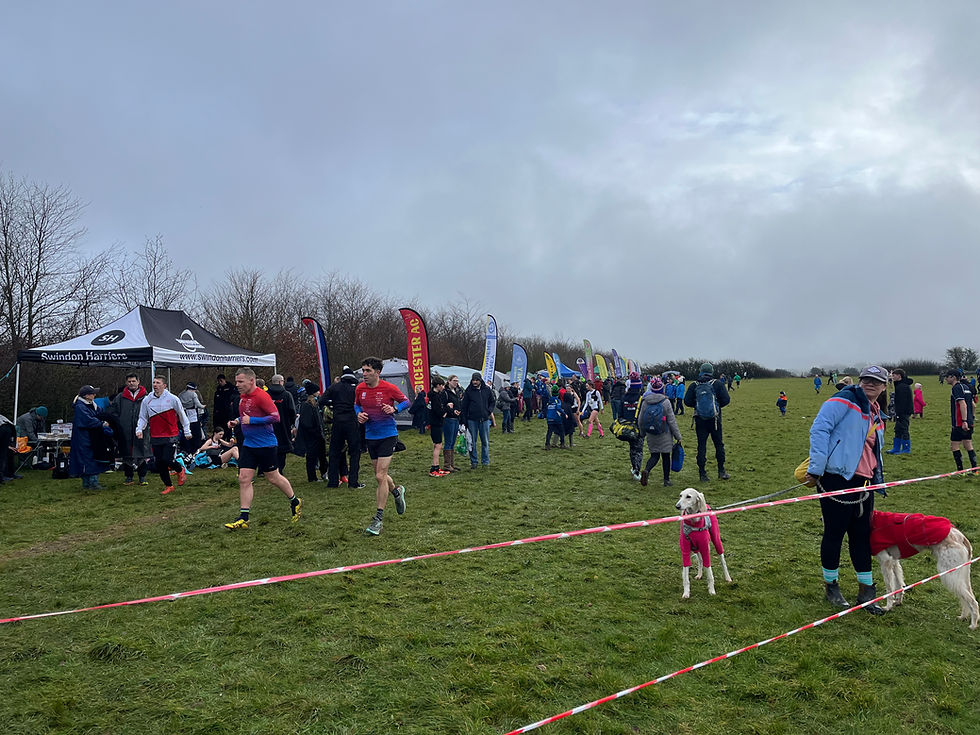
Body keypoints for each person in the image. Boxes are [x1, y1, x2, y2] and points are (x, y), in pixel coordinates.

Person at [806, 365, 888, 615]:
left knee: (861, 535)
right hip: (836, 477)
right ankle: (832, 586)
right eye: (866, 379)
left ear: (884, 386)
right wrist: (817, 467)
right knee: (835, 532)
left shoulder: (877, 412)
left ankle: (866, 592)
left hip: (864, 481)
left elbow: (873, 448)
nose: (870, 384)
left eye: (876, 381)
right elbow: (820, 429)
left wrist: (877, 478)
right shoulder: (844, 399)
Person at [223, 367, 303, 529]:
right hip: (249, 444)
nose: (237, 384)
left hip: (266, 444)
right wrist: (237, 421)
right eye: (236, 381)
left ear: (251, 381)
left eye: (240, 381)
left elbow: (275, 417)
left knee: (273, 477)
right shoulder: (243, 397)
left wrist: (251, 421)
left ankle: (295, 501)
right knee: (244, 478)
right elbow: (246, 416)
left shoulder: (261, 396)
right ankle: (244, 518)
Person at [355, 356, 410, 535]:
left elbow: (406, 401)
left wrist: (395, 409)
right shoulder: (360, 388)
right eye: (363, 370)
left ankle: (378, 519)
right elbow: (356, 406)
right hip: (371, 436)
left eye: (368, 371)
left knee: (380, 475)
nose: (364, 374)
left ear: (377, 373)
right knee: (380, 475)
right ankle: (397, 491)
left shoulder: (389, 388)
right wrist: (359, 414)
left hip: (388, 435)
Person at [136, 376, 192, 496]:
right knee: (159, 462)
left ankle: (179, 469)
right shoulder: (147, 400)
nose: (155, 385)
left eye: (158, 383)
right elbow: (143, 417)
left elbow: (182, 414)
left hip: (171, 434)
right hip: (156, 435)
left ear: (164, 385)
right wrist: (139, 429)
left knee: (167, 459)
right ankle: (168, 485)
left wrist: (187, 430)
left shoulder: (173, 399)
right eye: (154, 383)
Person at [684, 363, 732, 482]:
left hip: (700, 420)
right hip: (715, 419)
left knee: (701, 446)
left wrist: (697, 405)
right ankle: (721, 471)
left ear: (700, 371)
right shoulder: (717, 384)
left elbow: (687, 401)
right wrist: (716, 407)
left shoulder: (694, 385)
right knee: (719, 444)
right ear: (711, 371)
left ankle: (702, 474)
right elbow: (726, 400)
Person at [636, 376, 682, 487]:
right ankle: (666, 480)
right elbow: (671, 421)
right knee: (666, 457)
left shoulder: (645, 402)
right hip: (664, 433)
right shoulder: (665, 402)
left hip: (651, 434)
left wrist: (642, 433)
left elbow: (641, 420)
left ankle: (647, 470)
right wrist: (678, 436)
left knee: (654, 455)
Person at [324, 366, 363, 488]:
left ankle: (333, 482)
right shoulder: (356, 389)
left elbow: (322, 400)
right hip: (352, 422)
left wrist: (333, 403)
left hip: (338, 422)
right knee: (355, 452)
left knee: (334, 452)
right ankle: (353, 482)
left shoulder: (334, 387)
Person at [109, 374, 150, 485]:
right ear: (126, 383)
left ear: (138, 382)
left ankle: (142, 477)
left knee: (141, 454)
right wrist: (118, 424)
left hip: (142, 430)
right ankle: (129, 477)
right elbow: (113, 412)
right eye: (129, 381)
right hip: (125, 430)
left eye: (133, 381)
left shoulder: (146, 397)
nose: (131, 383)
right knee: (127, 455)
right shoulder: (120, 397)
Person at [69, 385, 113, 489]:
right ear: (86, 396)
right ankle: (91, 483)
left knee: (92, 458)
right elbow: (87, 420)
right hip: (83, 437)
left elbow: (100, 413)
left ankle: (89, 483)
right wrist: (101, 423)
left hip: (91, 436)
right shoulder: (80, 406)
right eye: (92, 393)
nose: (95, 395)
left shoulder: (91, 405)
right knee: (87, 459)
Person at [944, 368, 977, 473]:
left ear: (953, 377)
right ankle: (975, 470)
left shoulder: (956, 388)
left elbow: (962, 404)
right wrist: (971, 418)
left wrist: (964, 421)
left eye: (947, 377)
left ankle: (960, 471)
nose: (945, 379)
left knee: (954, 446)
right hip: (969, 421)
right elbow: (973, 405)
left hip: (960, 423)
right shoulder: (966, 387)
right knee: (968, 444)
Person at [461, 372, 494, 468]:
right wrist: (464, 420)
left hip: (484, 420)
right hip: (472, 420)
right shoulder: (468, 391)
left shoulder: (487, 390)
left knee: (485, 442)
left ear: (480, 380)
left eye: (476, 380)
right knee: (472, 442)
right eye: (473, 380)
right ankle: (474, 461)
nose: (475, 382)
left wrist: (489, 411)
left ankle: (485, 461)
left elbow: (492, 401)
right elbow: (464, 406)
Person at [267, 374, 297, 472]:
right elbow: (292, 411)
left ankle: (270, 466)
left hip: (269, 425)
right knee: (282, 448)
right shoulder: (287, 395)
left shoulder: (266, 395)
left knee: (270, 447)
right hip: (284, 425)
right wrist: (291, 423)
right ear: (280, 382)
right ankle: (280, 468)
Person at [296, 383, 325, 482]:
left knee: (320, 455)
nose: (318, 393)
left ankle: (322, 473)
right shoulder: (307, 405)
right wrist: (315, 431)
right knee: (312, 456)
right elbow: (306, 423)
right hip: (312, 435)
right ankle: (312, 477)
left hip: (316, 434)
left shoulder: (314, 404)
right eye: (317, 391)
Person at [622, 372, 645, 480]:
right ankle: (637, 470)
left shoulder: (625, 397)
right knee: (639, 450)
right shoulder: (641, 398)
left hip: (627, 427)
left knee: (632, 449)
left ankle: (633, 467)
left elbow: (620, 413)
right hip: (639, 427)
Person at [426, 376, 451, 476]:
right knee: (438, 445)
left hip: (434, 422)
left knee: (437, 445)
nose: (443, 387)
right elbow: (439, 411)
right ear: (438, 385)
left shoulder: (432, 395)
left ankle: (436, 466)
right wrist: (447, 408)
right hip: (436, 422)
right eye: (442, 385)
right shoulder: (435, 397)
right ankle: (434, 469)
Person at [886, 368, 913, 455]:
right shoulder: (899, 385)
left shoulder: (903, 387)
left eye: (894, 375)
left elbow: (903, 402)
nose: (892, 377)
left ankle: (906, 448)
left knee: (904, 429)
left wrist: (899, 413)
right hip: (900, 412)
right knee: (897, 429)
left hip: (903, 412)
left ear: (899, 376)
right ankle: (896, 448)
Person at [441, 375, 463, 472]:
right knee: (449, 441)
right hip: (449, 419)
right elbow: (443, 405)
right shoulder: (445, 392)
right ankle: (447, 464)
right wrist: (452, 411)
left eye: (457, 381)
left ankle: (451, 464)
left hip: (456, 418)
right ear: (449, 381)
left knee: (452, 441)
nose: (456, 382)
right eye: (454, 381)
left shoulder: (457, 391)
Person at [178, 382, 206, 453]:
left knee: (185, 436)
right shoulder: (193, 394)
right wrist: (204, 406)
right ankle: (195, 451)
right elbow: (198, 404)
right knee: (196, 436)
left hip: (184, 416)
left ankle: (186, 451)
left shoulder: (180, 395)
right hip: (194, 418)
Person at [212, 374, 239, 439]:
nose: (220, 383)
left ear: (224, 380)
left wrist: (232, 403)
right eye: (218, 381)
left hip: (228, 412)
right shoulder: (218, 389)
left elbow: (236, 396)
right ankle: (221, 440)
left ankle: (229, 440)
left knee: (228, 427)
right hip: (219, 412)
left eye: (221, 381)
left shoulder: (231, 388)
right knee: (220, 427)